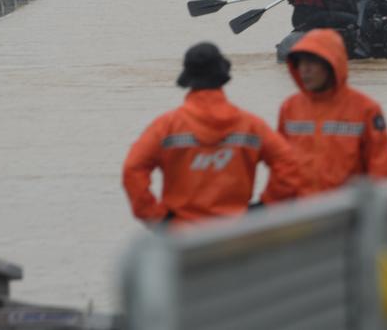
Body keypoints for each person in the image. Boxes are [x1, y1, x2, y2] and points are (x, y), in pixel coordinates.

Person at [123, 42, 301, 225]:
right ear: (222, 76)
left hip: (183, 236)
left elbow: (133, 169)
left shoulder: (166, 126)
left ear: (187, 77)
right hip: (236, 231)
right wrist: (265, 206)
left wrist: (156, 217)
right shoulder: (251, 125)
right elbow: (288, 164)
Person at [263, 28, 387, 200]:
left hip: (344, 214)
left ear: (331, 64)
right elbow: (282, 168)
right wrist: (269, 205)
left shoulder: (365, 109)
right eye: (301, 63)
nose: (305, 70)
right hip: (301, 213)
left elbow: (382, 172)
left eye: (312, 63)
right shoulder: (290, 107)